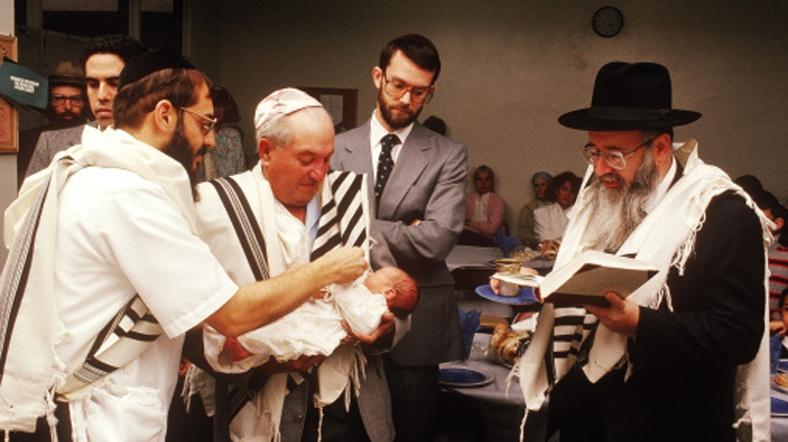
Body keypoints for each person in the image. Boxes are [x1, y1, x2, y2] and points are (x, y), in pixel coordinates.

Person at [0, 52, 367, 441]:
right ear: (164, 115)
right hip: (94, 418)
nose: (211, 139)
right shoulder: (128, 194)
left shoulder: (99, 176)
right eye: (205, 123)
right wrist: (327, 269)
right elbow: (233, 314)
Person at [515, 62, 771, 441]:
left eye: (614, 154)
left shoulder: (719, 211)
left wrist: (640, 323)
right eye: (593, 151)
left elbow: (738, 335)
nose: (600, 168)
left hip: (671, 424)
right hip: (587, 419)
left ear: (661, 148)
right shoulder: (598, 197)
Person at [192, 88, 401, 442]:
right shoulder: (219, 206)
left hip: (350, 406)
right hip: (262, 407)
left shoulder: (350, 197)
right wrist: (262, 362)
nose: (320, 173)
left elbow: (390, 282)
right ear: (266, 151)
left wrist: (384, 328)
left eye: (327, 159)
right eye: (306, 159)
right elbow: (190, 323)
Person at [332, 33, 467, 441]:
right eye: (398, 85)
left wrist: (358, 224)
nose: (407, 99)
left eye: (419, 92)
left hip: (417, 321)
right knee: (343, 432)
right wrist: (405, 228)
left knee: (412, 431)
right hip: (341, 319)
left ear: (431, 92)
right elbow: (319, 230)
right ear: (378, 76)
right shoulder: (335, 147)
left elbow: (437, 240)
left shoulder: (448, 154)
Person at [218, 266, 419, 365]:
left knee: (285, 336)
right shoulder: (368, 297)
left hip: (321, 328)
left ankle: (245, 348)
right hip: (313, 313)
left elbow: (357, 316)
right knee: (282, 329)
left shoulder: (375, 308)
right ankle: (245, 344)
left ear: (388, 293)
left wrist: (332, 283)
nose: (370, 274)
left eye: (376, 274)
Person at [26, 34, 146, 177]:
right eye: (93, 84)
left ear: (142, 85)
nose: (101, 96)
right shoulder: (50, 143)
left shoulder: (161, 144)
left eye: (115, 83)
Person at [18, 61, 89, 185]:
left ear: (86, 102)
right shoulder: (27, 140)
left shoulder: (99, 136)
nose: (68, 106)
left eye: (76, 99)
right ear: (49, 101)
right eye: (59, 99)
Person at [195, 85, 247, 181]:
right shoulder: (193, 136)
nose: (217, 109)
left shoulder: (232, 136)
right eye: (213, 105)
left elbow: (241, 172)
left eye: (221, 105)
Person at [458, 164, 505, 246]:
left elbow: (492, 229)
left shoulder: (498, 201)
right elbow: (459, 223)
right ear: (475, 182)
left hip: (488, 240)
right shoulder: (467, 199)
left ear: (492, 182)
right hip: (466, 237)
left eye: (487, 179)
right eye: (479, 179)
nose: (483, 183)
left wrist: (470, 223)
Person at [517, 171, 553, 249]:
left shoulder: (559, 206)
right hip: (535, 248)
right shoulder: (527, 209)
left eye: (543, 185)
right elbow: (524, 234)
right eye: (536, 186)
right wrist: (541, 241)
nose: (539, 189)